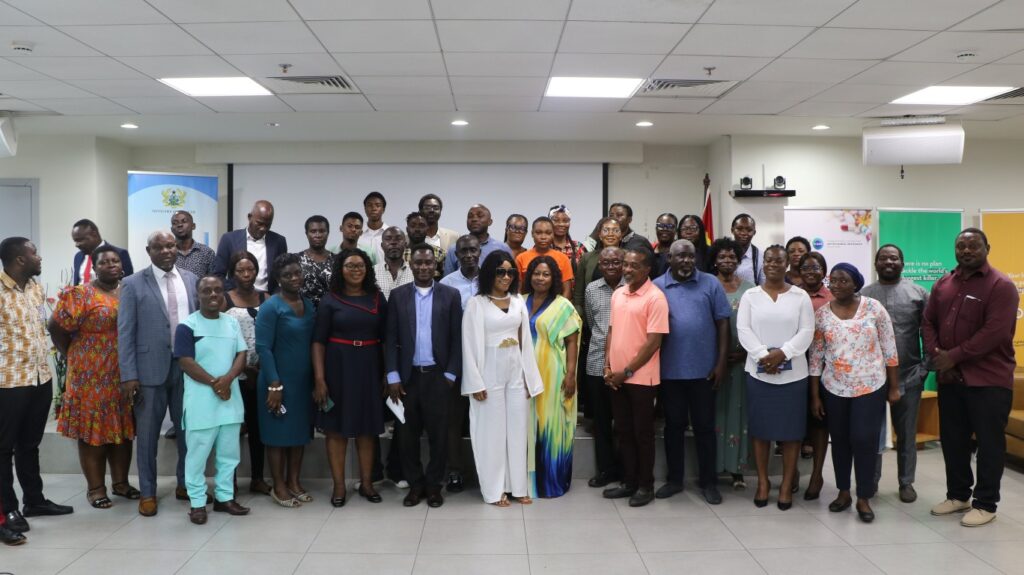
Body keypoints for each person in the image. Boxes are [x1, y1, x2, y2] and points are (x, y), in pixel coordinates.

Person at [924, 228, 1019, 528]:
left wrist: (954, 356)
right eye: (961, 246)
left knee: (989, 445)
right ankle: (958, 495)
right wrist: (941, 358)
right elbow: (928, 322)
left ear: (987, 247)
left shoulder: (1001, 285)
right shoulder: (943, 283)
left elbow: (995, 333)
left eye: (973, 245)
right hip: (951, 379)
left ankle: (986, 503)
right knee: (953, 441)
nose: (966, 251)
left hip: (988, 381)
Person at [809, 263, 900, 523]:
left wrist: (893, 387)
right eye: (833, 281)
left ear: (856, 283)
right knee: (839, 440)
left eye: (843, 280)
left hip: (870, 385)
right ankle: (843, 492)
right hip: (834, 387)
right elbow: (815, 358)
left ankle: (864, 496)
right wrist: (815, 396)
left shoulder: (874, 308)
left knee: (864, 439)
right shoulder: (823, 315)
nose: (836, 285)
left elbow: (890, 349)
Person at [49, 245, 137, 509]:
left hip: (122, 372)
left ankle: (121, 483)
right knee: (92, 432)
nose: (111, 265)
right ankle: (96, 488)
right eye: (104, 262)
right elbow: (55, 328)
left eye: (115, 260)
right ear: (94, 267)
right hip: (89, 376)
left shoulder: (130, 290)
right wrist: (73, 356)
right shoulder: (80, 294)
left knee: (122, 430)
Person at [118, 230, 199, 517]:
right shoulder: (132, 283)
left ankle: (186, 485)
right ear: (148, 250)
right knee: (148, 436)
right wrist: (129, 374)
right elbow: (125, 332)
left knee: (189, 432)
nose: (166, 251)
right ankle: (148, 493)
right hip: (148, 371)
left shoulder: (190, 280)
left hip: (187, 369)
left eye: (170, 245)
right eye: (159, 247)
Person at [0, 237, 74, 534]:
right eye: (34, 253)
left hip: (40, 377)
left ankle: (35, 500)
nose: (40, 258)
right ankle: (8, 509)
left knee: (30, 444)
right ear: (19, 259)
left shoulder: (34, 288)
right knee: (4, 449)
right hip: (8, 380)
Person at [462, 251, 544, 506]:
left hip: (516, 371)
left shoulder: (518, 300)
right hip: (489, 371)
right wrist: (475, 382)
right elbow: (468, 344)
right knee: (492, 433)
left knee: (518, 430)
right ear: (489, 273)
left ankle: (517, 487)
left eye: (510, 272)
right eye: (500, 272)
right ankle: (495, 490)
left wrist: (530, 380)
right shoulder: (477, 304)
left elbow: (525, 344)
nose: (506, 277)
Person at [653, 239, 731, 505]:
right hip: (669, 372)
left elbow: (722, 324)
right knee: (673, 427)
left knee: (705, 428)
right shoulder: (657, 287)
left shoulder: (710, 283)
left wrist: (721, 363)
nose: (686, 261)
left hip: (704, 372)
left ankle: (708, 481)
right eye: (680, 257)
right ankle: (675, 480)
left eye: (690, 256)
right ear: (669, 259)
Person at [736, 245, 814, 510]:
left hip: (793, 376)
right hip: (759, 374)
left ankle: (785, 485)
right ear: (763, 263)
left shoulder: (800, 296)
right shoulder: (750, 295)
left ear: (786, 264)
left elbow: (806, 331)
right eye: (768, 260)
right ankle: (762, 482)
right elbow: (743, 329)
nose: (773, 264)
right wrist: (763, 355)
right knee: (760, 432)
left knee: (791, 434)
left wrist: (782, 353)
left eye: (779, 261)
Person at [385, 244, 463, 508]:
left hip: (439, 377)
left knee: (439, 436)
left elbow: (456, 339)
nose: (423, 267)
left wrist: (451, 374)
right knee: (406, 436)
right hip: (407, 379)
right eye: (418, 263)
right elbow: (391, 338)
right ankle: (415, 485)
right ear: (412, 263)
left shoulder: (450, 295)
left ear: (436, 265)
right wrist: (393, 376)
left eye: (428, 263)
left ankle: (433, 486)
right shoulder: (398, 296)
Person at [312, 248, 388, 506]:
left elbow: (388, 339)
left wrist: (388, 373)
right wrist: (320, 379)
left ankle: (367, 484)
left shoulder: (377, 298)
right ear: (340, 270)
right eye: (349, 266)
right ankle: (339, 486)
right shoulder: (329, 300)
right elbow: (318, 342)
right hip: (337, 369)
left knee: (367, 430)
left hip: (369, 367)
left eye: (360, 266)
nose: (355, 270)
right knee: (336, 431)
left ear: (367, 269)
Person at [174, 275, 251, 525]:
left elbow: (242, 353)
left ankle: (224, 498)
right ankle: (197, 503)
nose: (214, 294)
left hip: (229, 399)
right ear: (198, 294)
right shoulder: (187, 326)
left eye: (218, 290)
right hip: (201, 403)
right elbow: (186, 362)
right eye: (207, 291)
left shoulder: (230, 323)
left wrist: (227, 380)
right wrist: (215, 384)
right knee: (196, 456)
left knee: (229, 454)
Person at [602, 248, 669, 508]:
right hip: (616, 378)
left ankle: (645, 485)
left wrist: (626, 372)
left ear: (647, 269)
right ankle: (628, 481)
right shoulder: (618, 294)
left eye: (634, 266)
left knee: (642, 434)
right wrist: (608, 365)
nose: (627, 270)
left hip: (641, 379)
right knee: (623, 431)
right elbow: (611, 331)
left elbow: (653, 343)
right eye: (625, 265)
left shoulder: (655, 298)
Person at [862, 244, 929, 503]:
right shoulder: (864, 296)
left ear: (902, 262)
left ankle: (906, 483)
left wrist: (924, 369)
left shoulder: (919, 293)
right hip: (872, 378)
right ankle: (871, 482)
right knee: (871, 434)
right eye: (883, 258)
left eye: (894, 258)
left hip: (909, 376)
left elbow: (930, 334)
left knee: (907, 435)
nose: (889, 262)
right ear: (876, 263)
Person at [256, 253, 316, 508]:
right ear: (278, 280)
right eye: (287, 275)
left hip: (303, 382)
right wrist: (274, 384)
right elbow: (263, 348)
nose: (294, 278)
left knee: (299, 433)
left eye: (296, 273)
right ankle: (278, 484)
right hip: (277, 382)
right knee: (277, 435)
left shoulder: (309, 304)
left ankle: (294, 481)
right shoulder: (271, 306)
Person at [523, 255, 582, 498]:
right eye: (536, 273)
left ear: (554, 278)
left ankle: (551, 483)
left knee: (551, 427)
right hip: (523, 376)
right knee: (527, 427)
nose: (540, 278)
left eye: (546, 274)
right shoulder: (520, 301)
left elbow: (571, 341)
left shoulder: (562, 305)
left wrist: (570, 375)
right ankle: (527, 484)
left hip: (552, 375)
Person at [221, 251, 271, 496]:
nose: (246, 274)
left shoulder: (266, 297)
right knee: (232, 430)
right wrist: (239, 368)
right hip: (233, 375)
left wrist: (262, 368)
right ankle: (229, 481)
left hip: (261, 373)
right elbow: (218, 338)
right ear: (233, 273)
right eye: (240, 270)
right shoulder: (223, 299)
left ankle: (258, 478)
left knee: (258, 428)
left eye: (250, 269)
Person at [709, 238, 755, 489]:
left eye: (732, 257)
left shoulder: (750, 288)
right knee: (716, 413)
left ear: (738, 260)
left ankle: (737, 470)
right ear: (714, 259)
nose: (727, 261)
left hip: (742, 361)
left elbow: (758, 325)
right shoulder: (706, 284)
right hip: (714, 362)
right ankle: (714, 468)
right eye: (722, 257)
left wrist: (747, 354)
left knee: (739, 413)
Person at [440, 234, 480, 492]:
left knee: (485, 418)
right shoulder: (445, 284)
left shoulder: (492, 280)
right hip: (455, 360)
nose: (468, 255)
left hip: (486, 361)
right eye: (462, 251)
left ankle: (487, 470)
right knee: (453, 420)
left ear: (479, 252)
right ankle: (455, 470)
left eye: (472, 250)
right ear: (456, 255)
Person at [583, 247, 625, 488]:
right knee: (601, 421)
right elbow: (592, 323)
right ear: (599, 264)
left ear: (624, 263)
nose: (611, 266)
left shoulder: (632, 287)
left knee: (622, 421)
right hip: (597, 361)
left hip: (626, 365)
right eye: (606, 262)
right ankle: (606, 470)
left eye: (616, 261)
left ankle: (625, 468)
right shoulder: (591, 289)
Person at [797, 251, 833, 500]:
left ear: (824, 271)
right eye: (806, 268)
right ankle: (793, 475)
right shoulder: (791, 295)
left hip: (824, 371)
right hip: (794, 367)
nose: (811, 272)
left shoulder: (833, 297)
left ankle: (817, 475)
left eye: (816, 267)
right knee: (795, 425)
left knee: (820, 424)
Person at [213, 200, 288, 292]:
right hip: (238, 298)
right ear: (249, 217)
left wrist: (274, 296)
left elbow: (283, 275)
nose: (263, 228)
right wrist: (235, 292)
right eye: (259, 223)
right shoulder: (229, 239)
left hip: (268, 299)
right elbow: (218, 275)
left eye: (267, 225)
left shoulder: (279, 241)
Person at [443, 204, 512, 275]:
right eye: (470, 216)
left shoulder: (502, 248)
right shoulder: (454, 249)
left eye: (480, 216)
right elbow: (447, 281)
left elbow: (510, 276)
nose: (474, 219)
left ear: (490, 222)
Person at [515, 217, 574, 299]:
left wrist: (559, 310)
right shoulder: (521, 258)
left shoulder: (563, 258)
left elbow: (567, 291)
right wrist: (522, 308)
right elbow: (518, 290)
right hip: (527, 306)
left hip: (556, 307)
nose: (543, 237)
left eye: (548, 233)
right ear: (532, 233)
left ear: (553, 234)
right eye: (538, 233)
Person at [573, 217, 622, 311]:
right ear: (599, 235)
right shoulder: (587, 258)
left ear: (621, 235)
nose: (610, 234)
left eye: (615, 230)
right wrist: (580, 315)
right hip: (592, 314)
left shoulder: (628, 257)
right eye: (606, 230)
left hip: (624, 312)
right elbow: (578, 294)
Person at [71, 218, 133, 285]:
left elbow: (127, 286)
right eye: (75, 241)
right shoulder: (78, 257)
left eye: (80, 240)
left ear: (94, 234)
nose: (77, 245)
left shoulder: (119, 254)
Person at [297, 215, 332, 308]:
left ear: (328, 233)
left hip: (331, 313)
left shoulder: (337, 260)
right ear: (306, 233)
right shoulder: (296, 259)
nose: (318, 235)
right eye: (313, 231)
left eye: (322, 231)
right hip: (303, 313)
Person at [172, 211, 215, 278]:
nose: (179, 225)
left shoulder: (207, 252)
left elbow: (213, 280)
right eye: (175, 223)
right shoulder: (167, 253)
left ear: (193, 226)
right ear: (172, 229)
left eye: (184, 221)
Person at [375, 226, 413, 299]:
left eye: (398, 239)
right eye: (388, 239)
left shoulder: (414, 272)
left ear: (405, 245)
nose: (393, 242)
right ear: (382, 246)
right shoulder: (373, 272)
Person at [405, 212, 446, 280]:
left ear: (427, 229)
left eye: (421, 226)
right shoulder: (400, 253)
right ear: (407, 229)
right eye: (413, 226)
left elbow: (444, 278)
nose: (417, 229)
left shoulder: (439, 252)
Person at [549, 205, 586, 275]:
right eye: (556, 220)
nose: (561, 224)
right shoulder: (543, 247)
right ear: (549, 222)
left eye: (565, 220)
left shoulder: (579, 247)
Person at [731, 214, 763, 286]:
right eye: (739, 229)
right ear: (732, 230)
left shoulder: (761, 256)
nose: (744, 233)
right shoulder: (721, 254)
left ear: (754, 232)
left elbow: (763, 286)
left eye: (749, 230)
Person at [359, 191, 389, 265]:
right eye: (370, 205)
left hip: (385, 275)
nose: (374, 208)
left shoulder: (390, 234)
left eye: (378, 205)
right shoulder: (358, 233)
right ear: (365, 209)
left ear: (383, 209)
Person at [651, 213, 678, 278]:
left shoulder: (681, 251)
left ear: (676, 230)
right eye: (661, 226)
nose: (665, 229)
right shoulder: (650, 249)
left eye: (670, 226)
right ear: (656, 229)